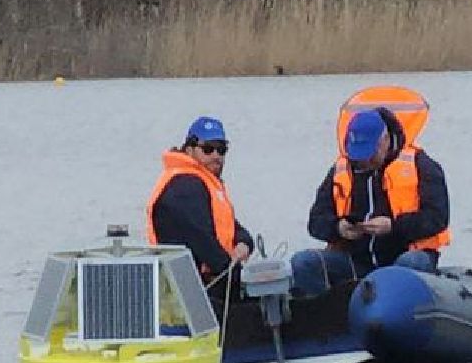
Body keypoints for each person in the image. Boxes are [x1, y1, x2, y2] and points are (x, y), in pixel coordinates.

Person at [290, 104, 450, 297]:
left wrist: (393, 226)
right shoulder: (341, 171)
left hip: (407, 257)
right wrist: (339, 228)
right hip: (356, 262)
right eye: (358, 155)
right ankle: (326, 319)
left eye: (369, 154)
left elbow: (437, 218)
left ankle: (396, 313)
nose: (363, 161)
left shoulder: (422, 166)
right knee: (303, 262)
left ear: (385, 140)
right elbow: (316, 221)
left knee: (409, 264)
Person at [145, 115, 256, 280]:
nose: (216, 155)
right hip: (189, 285)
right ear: (189, 150)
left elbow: (233, 227)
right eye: (208, 149)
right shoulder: (184, 185)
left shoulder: (205, 183)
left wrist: (243, 243)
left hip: (211, 279)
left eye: (221, 149)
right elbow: (202, 241)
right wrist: (233, 275)